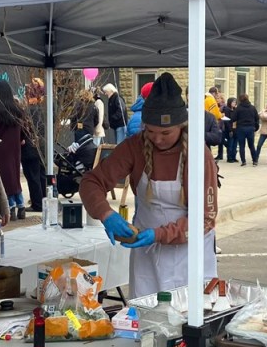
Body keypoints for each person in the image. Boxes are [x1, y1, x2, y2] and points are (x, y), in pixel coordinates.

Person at [78, 72, 218, 299]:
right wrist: (105, 214)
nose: (158, 139)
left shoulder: (197, 155)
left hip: (189, 253)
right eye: (150, 131)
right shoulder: (134, 147)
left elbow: (205, 219)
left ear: (181, 127)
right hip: (147, 253)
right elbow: (90, 182)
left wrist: (160, 234)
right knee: (146, 318)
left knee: (187, 319)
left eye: (165, 133)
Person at [0, 79, 28, 220]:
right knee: (15, 176)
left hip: (0, 149)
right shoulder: (18, 110)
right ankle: (21, 205)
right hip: (15, 148)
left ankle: (10, 208)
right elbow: (24, 130)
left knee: (4, 177)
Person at [22, 77, 47, 212]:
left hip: (31, 147)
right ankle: (43, 201)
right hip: (44, 145)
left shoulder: (29, 110)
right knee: (41, 174)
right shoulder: (47, 107)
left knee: (33, 176)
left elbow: (25, 129)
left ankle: (37, 204)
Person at [232, 93, 259, 166]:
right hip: (250, 128)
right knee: (251, 145)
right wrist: (255, 127)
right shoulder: (252, 108)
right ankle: (255, 160)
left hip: (241, 128)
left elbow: (233, 118)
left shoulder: (238, 108)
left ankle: (243, 161)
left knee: (241, 146)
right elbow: (257, 118)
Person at [217, 96, 235, 161]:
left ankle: (231, 155)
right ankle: (224, 156)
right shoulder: (224, 108)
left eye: (219, 98)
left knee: (229, 142)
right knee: (222, 141)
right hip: (223, 127)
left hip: (227, 127)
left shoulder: (228, 108)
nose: (217, 99)